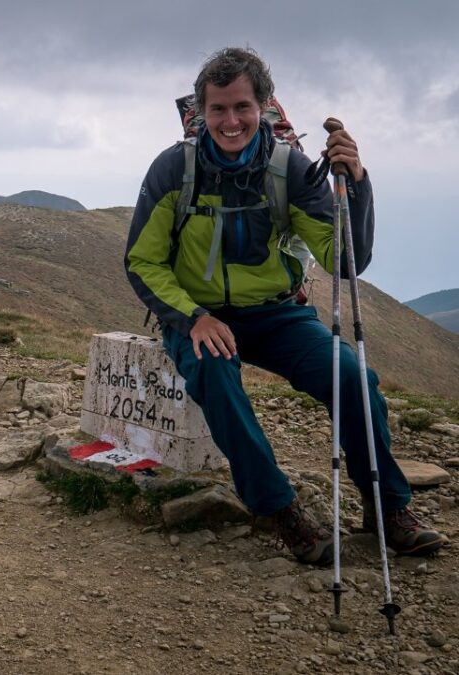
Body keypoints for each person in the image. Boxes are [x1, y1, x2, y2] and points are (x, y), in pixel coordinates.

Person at [124, 46, 446, 564]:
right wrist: (193, 317)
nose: (231, 121)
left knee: (350, 376)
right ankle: (281, 508)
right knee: (215, 377)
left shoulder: (290, 169)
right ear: (201, 114)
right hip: (199, 314)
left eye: (242, 107)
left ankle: (387, 507)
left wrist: (357, 185)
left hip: (277, 313)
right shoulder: (174, 170)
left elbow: (345, 261)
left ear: (264, 107)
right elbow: (143, 261)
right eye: (219, 109)